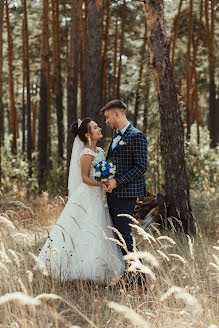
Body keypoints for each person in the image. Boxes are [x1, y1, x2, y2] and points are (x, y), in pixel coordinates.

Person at [34, 117, 125, 282]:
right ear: (88, 134)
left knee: (101, 227)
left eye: (98, 126)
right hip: (88, 195)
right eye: (95, 127)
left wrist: (107, 178)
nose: (99, 129)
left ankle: (101, 267)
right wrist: (101, 182)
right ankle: (79, 268)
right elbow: (84, 178)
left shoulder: (100, 151)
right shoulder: (86, 153)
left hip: (99, 195)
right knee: (86, 226)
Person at [100, 99, 147, 284]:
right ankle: (127, 274)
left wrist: (116, 181)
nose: (106, 122)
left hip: (126, 194)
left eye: (107, 117)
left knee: (124, 235)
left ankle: (141, 279)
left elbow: (141, 167)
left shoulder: (137, 136)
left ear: (117, 114)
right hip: (113, 192)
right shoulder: (116, 136)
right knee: (116, 235)